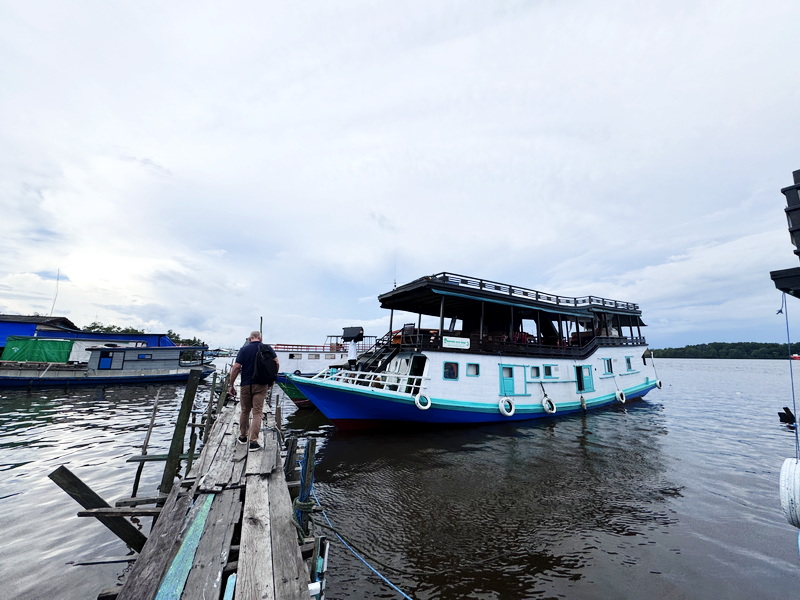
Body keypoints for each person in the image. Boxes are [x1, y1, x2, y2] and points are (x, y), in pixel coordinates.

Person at [228, 330, 278, 452]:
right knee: (257, 413)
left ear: (250, 338)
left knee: (245, 410)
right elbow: (276, 363)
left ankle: (243, 437)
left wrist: (231, 384)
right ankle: (253, 442)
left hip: (246, 384)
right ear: (260, 339)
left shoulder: (244, 349)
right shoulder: (267, 348)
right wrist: (272, 379)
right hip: (261, 384)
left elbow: (236, 368)